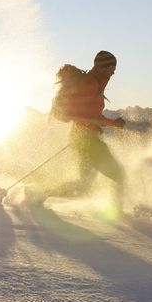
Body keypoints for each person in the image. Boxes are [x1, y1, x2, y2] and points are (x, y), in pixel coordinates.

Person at [28, 50, 127, 215]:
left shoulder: (95, 82)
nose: (113, 72)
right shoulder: (91, 84)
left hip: (84, 138)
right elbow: (76, 115)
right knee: (117, 175)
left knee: (83, 185)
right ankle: (118, 213)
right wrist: (108, 123)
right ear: (102, 67)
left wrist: (109, 123)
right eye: (111, 67)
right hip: (85, 140)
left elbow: (89, 114)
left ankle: (40, 193)